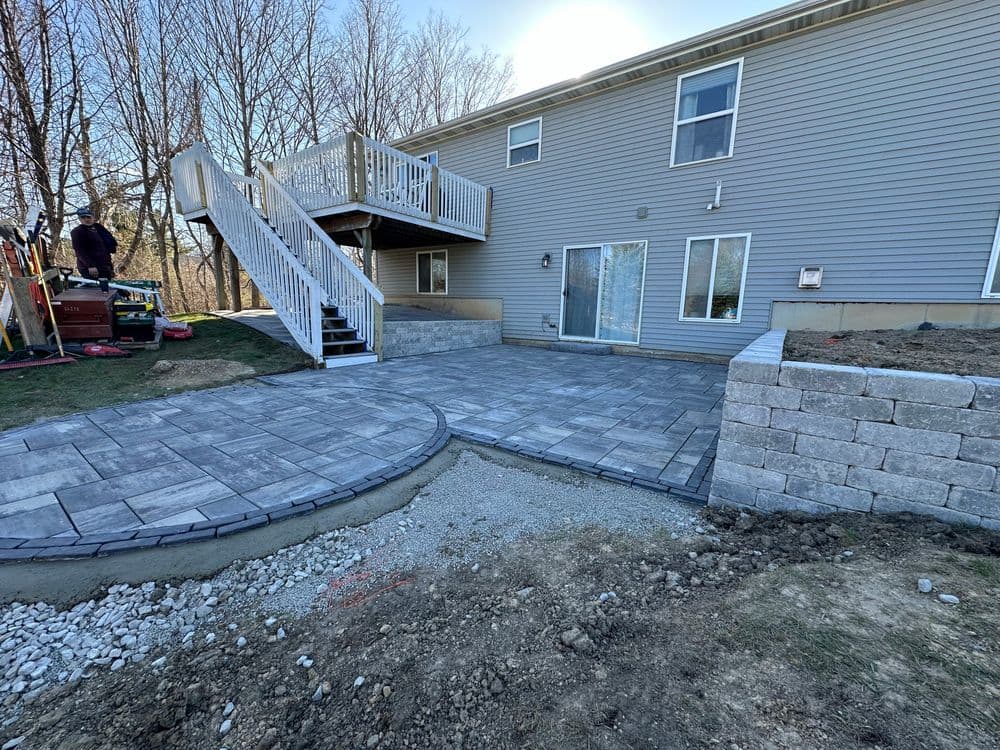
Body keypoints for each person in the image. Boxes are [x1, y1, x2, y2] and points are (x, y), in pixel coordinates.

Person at [70, 207, 117, 279]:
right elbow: (80, 251)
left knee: (107, 287)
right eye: (83, 217)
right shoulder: (77, 231)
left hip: (104, 266)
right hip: (90, 268)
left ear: (93, 217)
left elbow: (109, 246)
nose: (86, 219)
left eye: (88, 217)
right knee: (96, 289)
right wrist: (90, 266)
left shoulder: (99, 228)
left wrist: (110, 267)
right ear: (80, 219)